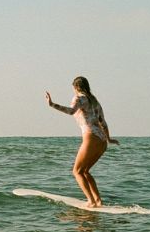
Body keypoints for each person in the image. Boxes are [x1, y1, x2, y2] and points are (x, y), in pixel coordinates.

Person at [45, 76, 120, 208]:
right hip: (102, 141)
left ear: (76, 87)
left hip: (90, 137)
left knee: (77, 171)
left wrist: (52, 104)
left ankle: (91, 201)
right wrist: (109, 139)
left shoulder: (79, 98)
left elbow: (70, 111)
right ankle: (98, 201)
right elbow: (103, 121)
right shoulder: (95, 100)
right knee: (85, 171)